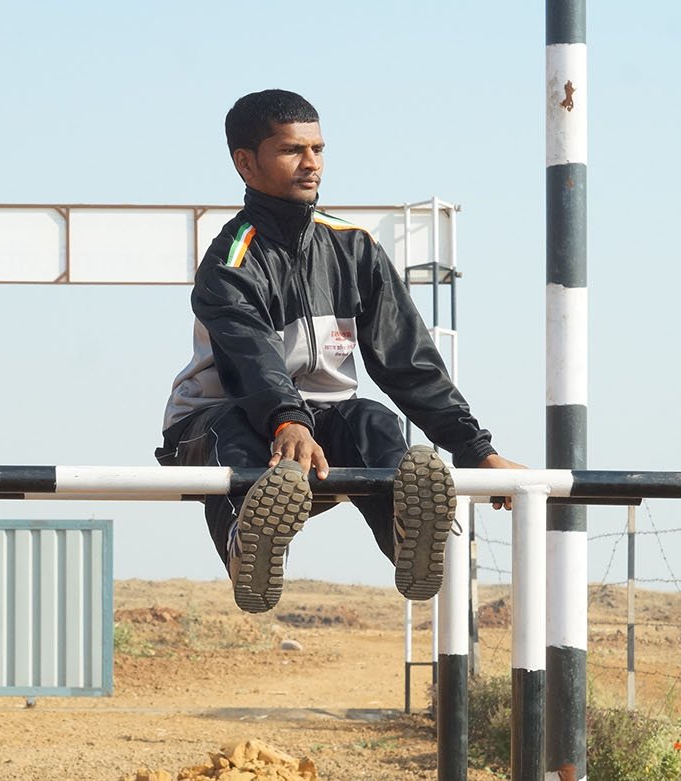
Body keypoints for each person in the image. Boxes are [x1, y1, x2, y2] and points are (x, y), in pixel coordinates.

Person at [156, 90, 521, 614]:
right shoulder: (229, 260)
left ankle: (408, 539)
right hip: (219, 424)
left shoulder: (354, 248)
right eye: (292, 151)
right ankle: (246, 548)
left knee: (372, 421)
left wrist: (473, 448)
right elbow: (253, 361)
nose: (311, 164)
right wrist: (287, 422)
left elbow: (408, 362)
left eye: (319, 149)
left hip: (316, 433)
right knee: (232, 429)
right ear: (245, 162)